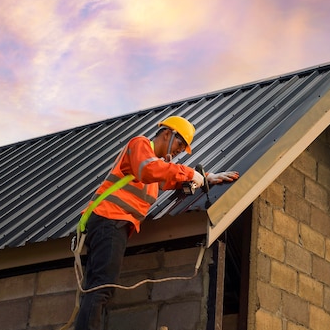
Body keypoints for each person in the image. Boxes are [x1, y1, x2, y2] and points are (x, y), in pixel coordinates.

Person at [75, 115, 239, 330]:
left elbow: (170, 177)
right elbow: (149, 170)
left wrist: (205, 177)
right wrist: (190, 172)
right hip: (110, 219)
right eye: (181, 143)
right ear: (167, 134)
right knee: (102, 287)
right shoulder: (140, 144)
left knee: (98, 287)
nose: (181, 149)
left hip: (112, 224)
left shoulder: (157, 167)